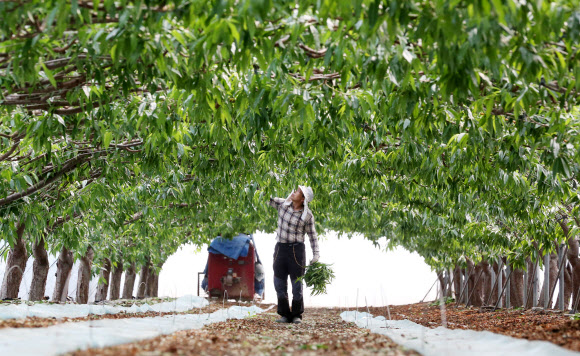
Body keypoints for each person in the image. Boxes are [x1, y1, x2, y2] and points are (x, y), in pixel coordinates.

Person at [268, 185, 320, 324]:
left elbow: (312, 236)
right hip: (280, 248)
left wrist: (316, 255)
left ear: (303, 199)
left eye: (297, 192)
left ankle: (297, 315)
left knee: (296, 284)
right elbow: (266, 197)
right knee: (279, 282)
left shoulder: (307, 216)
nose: (293, 192)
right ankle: (284, 314)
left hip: (297, 250)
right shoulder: (283, 204)